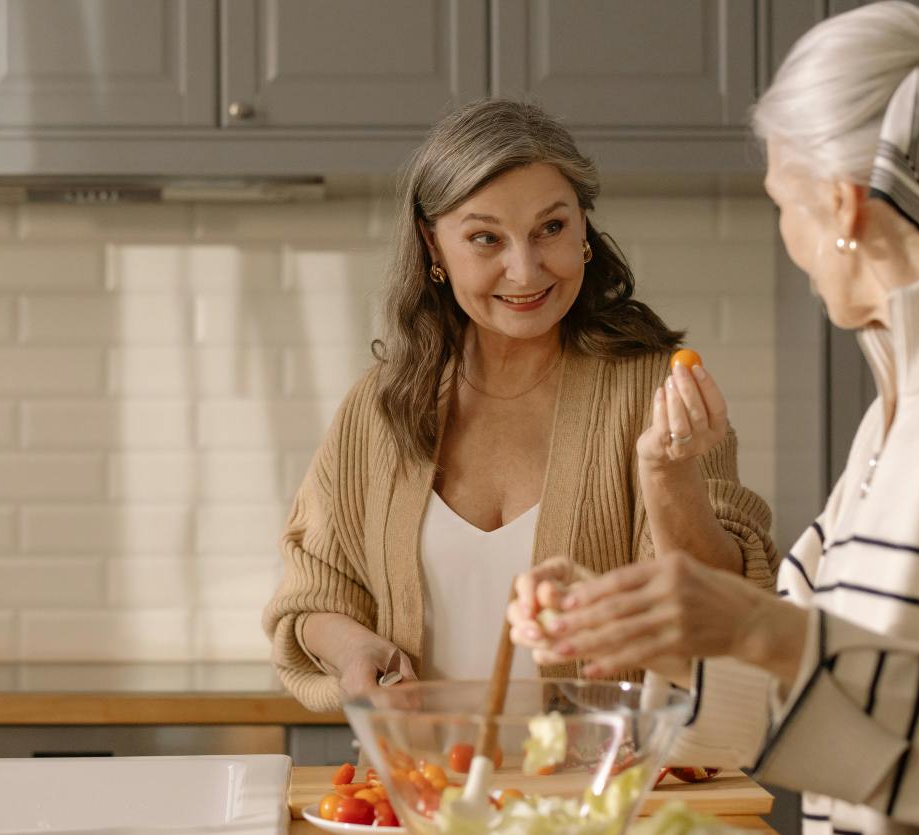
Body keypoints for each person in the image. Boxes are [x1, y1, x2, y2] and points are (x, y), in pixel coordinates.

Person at [507, 3, 919, 832]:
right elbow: (801, 690)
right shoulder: (900, 409)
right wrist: (638, 625)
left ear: (841, 208)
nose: (788, 235)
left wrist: (755, 624)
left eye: (783, 204)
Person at [262, 99, 778, 712]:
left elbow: (722, 606)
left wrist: (671, 477)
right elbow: (314, 594)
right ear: (433, 246)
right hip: (423, 795)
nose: (526, 269)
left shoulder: (657, 392)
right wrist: (352, 651)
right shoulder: (379, 407)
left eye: (551, 228)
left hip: (600, 797)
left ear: (583, 227)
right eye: (486, 238)